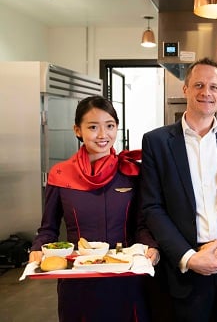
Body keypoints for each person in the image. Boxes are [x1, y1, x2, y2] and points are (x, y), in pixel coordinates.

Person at [140, 57, 217, 322]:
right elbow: (151, 207)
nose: (206, 92)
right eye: (198, 84)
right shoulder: (157, 142)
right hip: (185, 271)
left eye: (213, 87)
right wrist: (188, 257)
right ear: (185, 89)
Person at [29, 95, 160, 322]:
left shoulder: (131, 172)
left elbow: (141, 225)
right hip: (79, 280)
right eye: (92, 127)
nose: (102, 135)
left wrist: (151, 246)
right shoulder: (60, 175)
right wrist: (38, 247)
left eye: (110, 126)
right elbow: (48, 228)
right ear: (77, 130)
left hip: (127, 276)